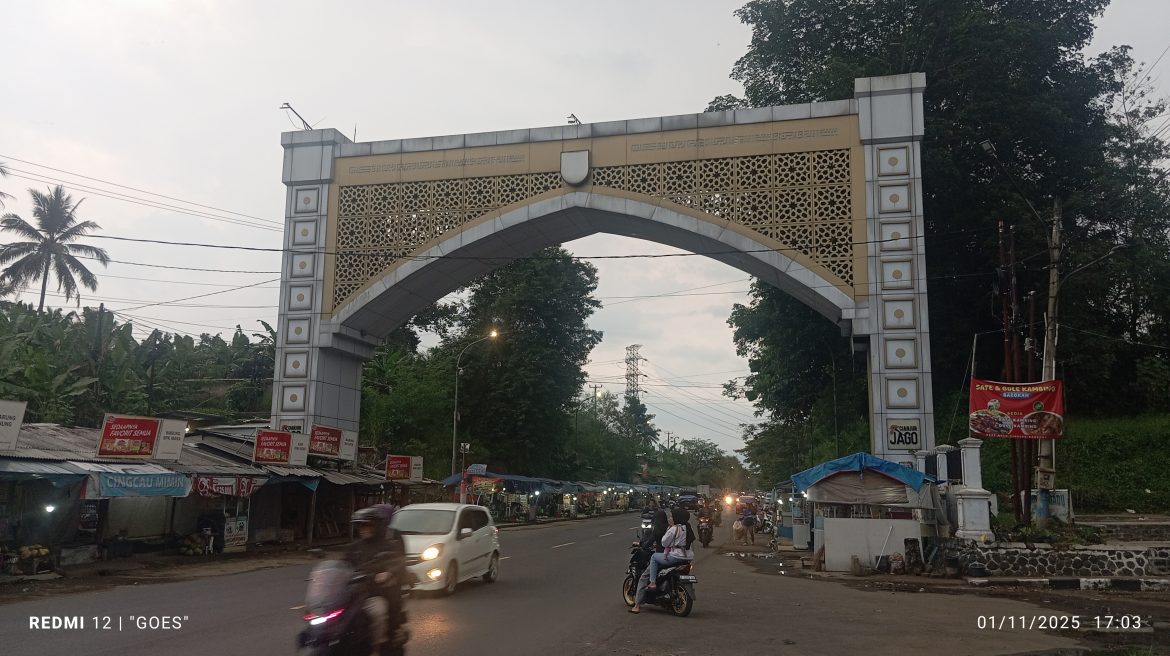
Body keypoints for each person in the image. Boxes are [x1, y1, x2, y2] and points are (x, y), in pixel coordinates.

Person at [345, 506, 407, 656]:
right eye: (361, 525)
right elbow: (342, 566)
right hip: (354, 595)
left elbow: (397, 562)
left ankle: (376, 649)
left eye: (368, 525)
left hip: (374, 593)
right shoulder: (355, 547)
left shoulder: (387, 545)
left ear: (377, 526)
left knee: (378, 612)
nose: (364, 529)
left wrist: (387, 573)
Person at [630, 508, 694, 614]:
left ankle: (638, 603)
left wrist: (642, 544)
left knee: (645, 574)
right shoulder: (687, 527)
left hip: (671, 556)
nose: (670, 518)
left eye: (672, 517)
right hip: (687, 556)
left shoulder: (668, 529)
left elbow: (663, 543)